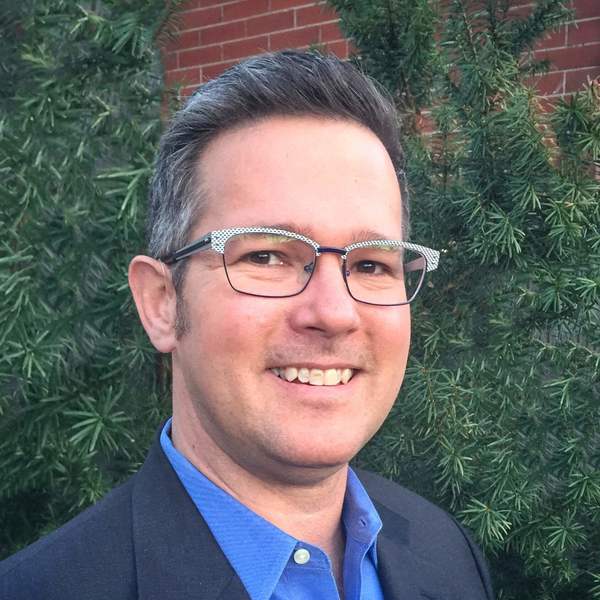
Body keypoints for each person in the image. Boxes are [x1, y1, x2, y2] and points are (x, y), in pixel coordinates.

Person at [0, 50, 493, 600]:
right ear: (162, 303)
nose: (333, 313)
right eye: (266, 256)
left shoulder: (445, 550)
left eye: (372, 264)